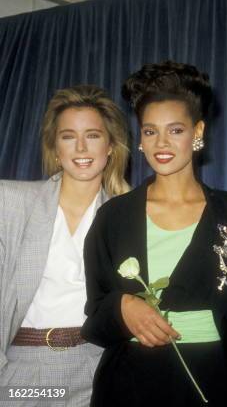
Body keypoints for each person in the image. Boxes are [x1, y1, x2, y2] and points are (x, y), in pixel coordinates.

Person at [82, 61, 227, 406]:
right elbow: (96, 315)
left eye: (175, 130)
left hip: (209, 382)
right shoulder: (113, 216)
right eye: (150, 132)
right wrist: (122, 306)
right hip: (128, 386)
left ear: (198, 132)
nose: (161, 143)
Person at [0, 85, 130, 406]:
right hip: (25, 369)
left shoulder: (127, 217)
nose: (81, 147)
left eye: (94, 135)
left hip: (97, 368)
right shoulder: (11, 202)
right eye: (69, 136)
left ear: (111, 146)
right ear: (55, 148)